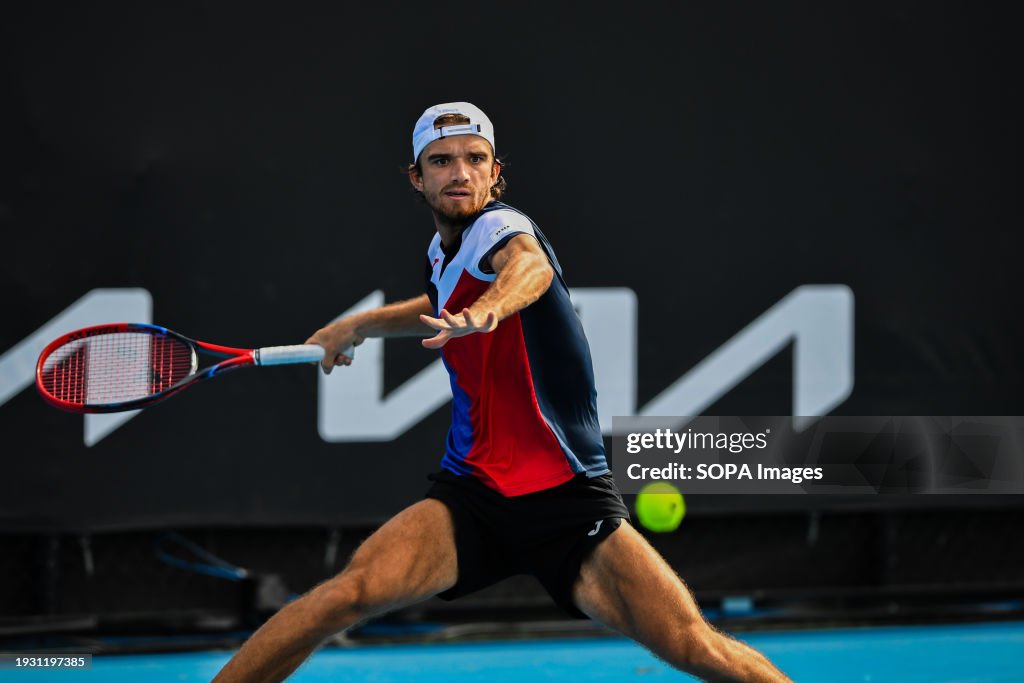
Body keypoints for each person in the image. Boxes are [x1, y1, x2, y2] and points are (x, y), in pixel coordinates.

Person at [212, 102, 792, 683]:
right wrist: (360, 325)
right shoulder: (442, 251)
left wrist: (489, 310)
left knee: (695, 648)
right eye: (440, 161)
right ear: (417, 177)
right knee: (347, 595)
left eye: (474, 159)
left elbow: (530, 268)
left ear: (495, 174)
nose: (459, 173)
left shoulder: (501, 228)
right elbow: (438, 305)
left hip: (566, 497)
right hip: (474, 495)